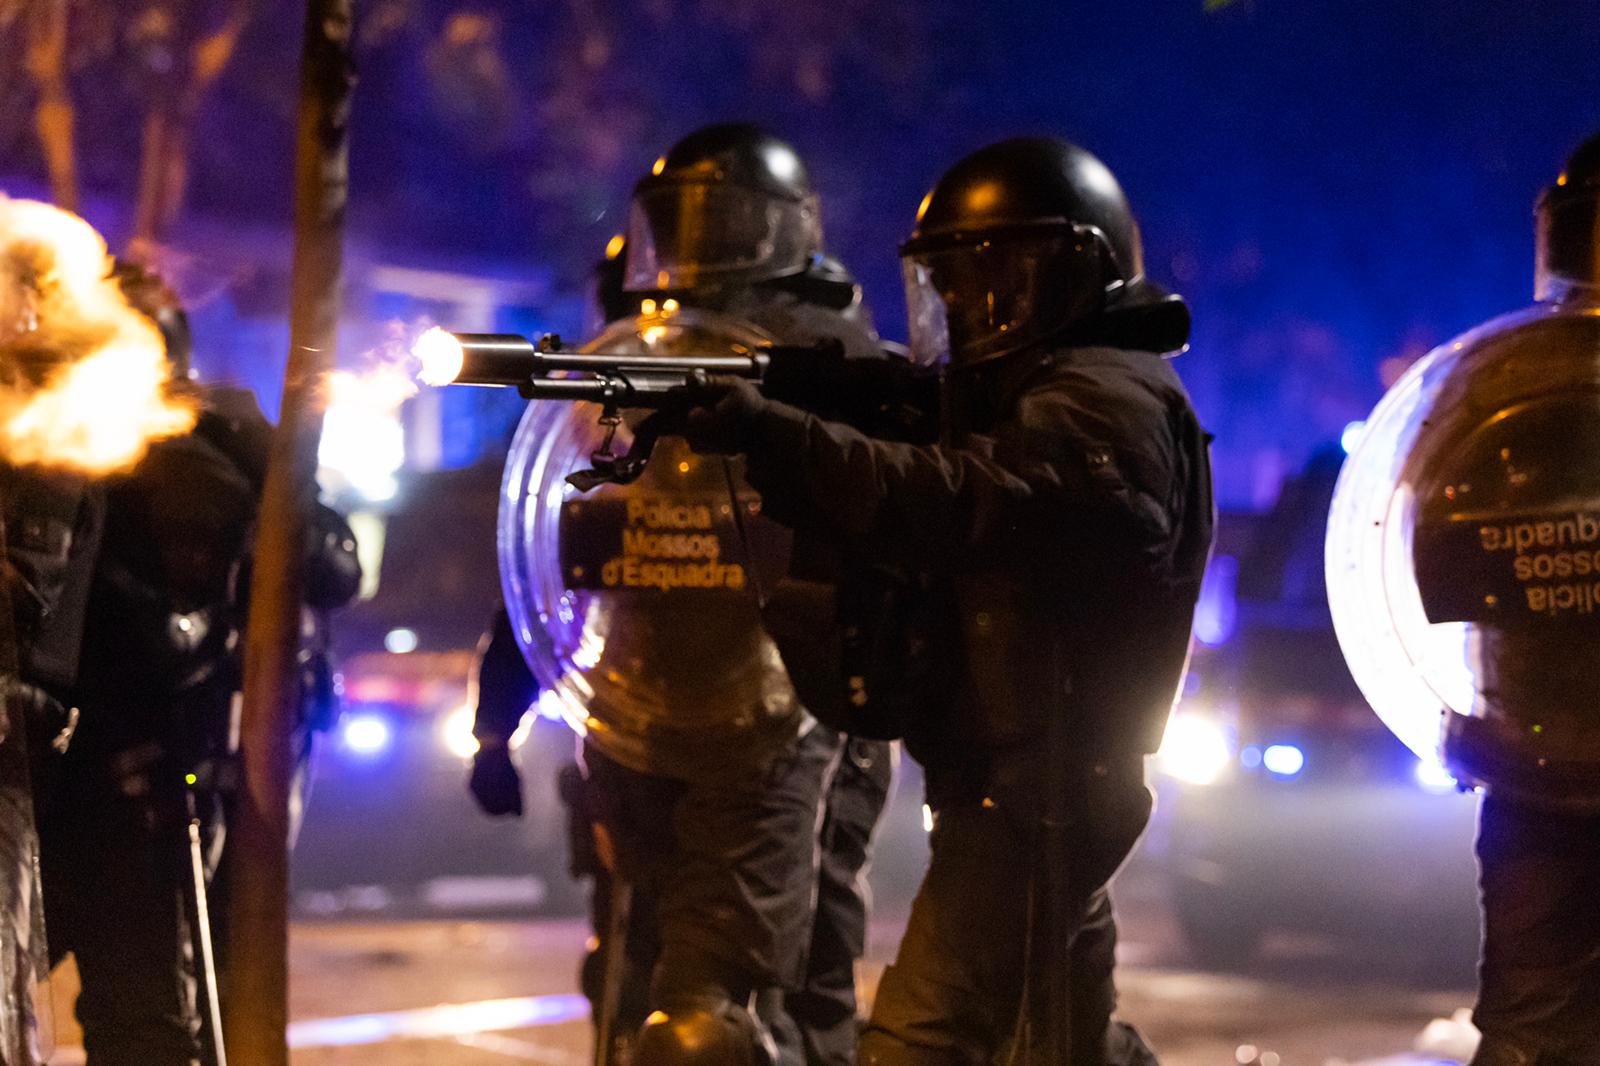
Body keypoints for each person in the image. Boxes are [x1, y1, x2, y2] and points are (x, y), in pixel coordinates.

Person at [672, 136, 1213, 1066]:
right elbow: (937, 427)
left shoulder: (1106, 399)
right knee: (1072, 1042)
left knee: (920, 1042)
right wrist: (806, 383)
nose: (969, 307)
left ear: (1078, 272)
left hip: (1046, 794)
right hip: (1026, 782)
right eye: (954, 284)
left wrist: (790, 441)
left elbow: (969, 499)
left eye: (1000, 279)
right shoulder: (1046, 388)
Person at [470, 123, 896, 1066]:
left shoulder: (835, 366)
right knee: (643, 972)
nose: (706, 244)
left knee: (787, 971)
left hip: (791, 719)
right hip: (645, 715)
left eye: (731, 218)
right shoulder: (622, 364)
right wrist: (497, 720)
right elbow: (559, 561)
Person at [36, 264, 361, 1066]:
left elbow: (333, 569)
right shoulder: (45, 441)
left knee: (161, 1010)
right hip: (71, 768)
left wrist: (264, 517)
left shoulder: (220, 442)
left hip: (179, 771)